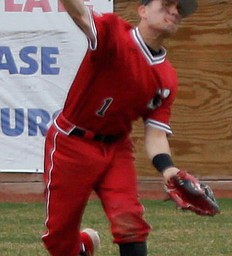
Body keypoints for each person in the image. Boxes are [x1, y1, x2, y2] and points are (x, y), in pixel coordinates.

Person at [41, 0, 198, 255]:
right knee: (59, 240)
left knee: (130, 220)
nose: (174, 11)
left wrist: (168, 169)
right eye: (167, 4)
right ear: (142, 10)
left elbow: (156, 134)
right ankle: (82, 245)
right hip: (71, 143)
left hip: (116, 148)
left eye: (179, 9)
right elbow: (78, 11)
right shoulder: (112, 33)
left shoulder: (167, 77)